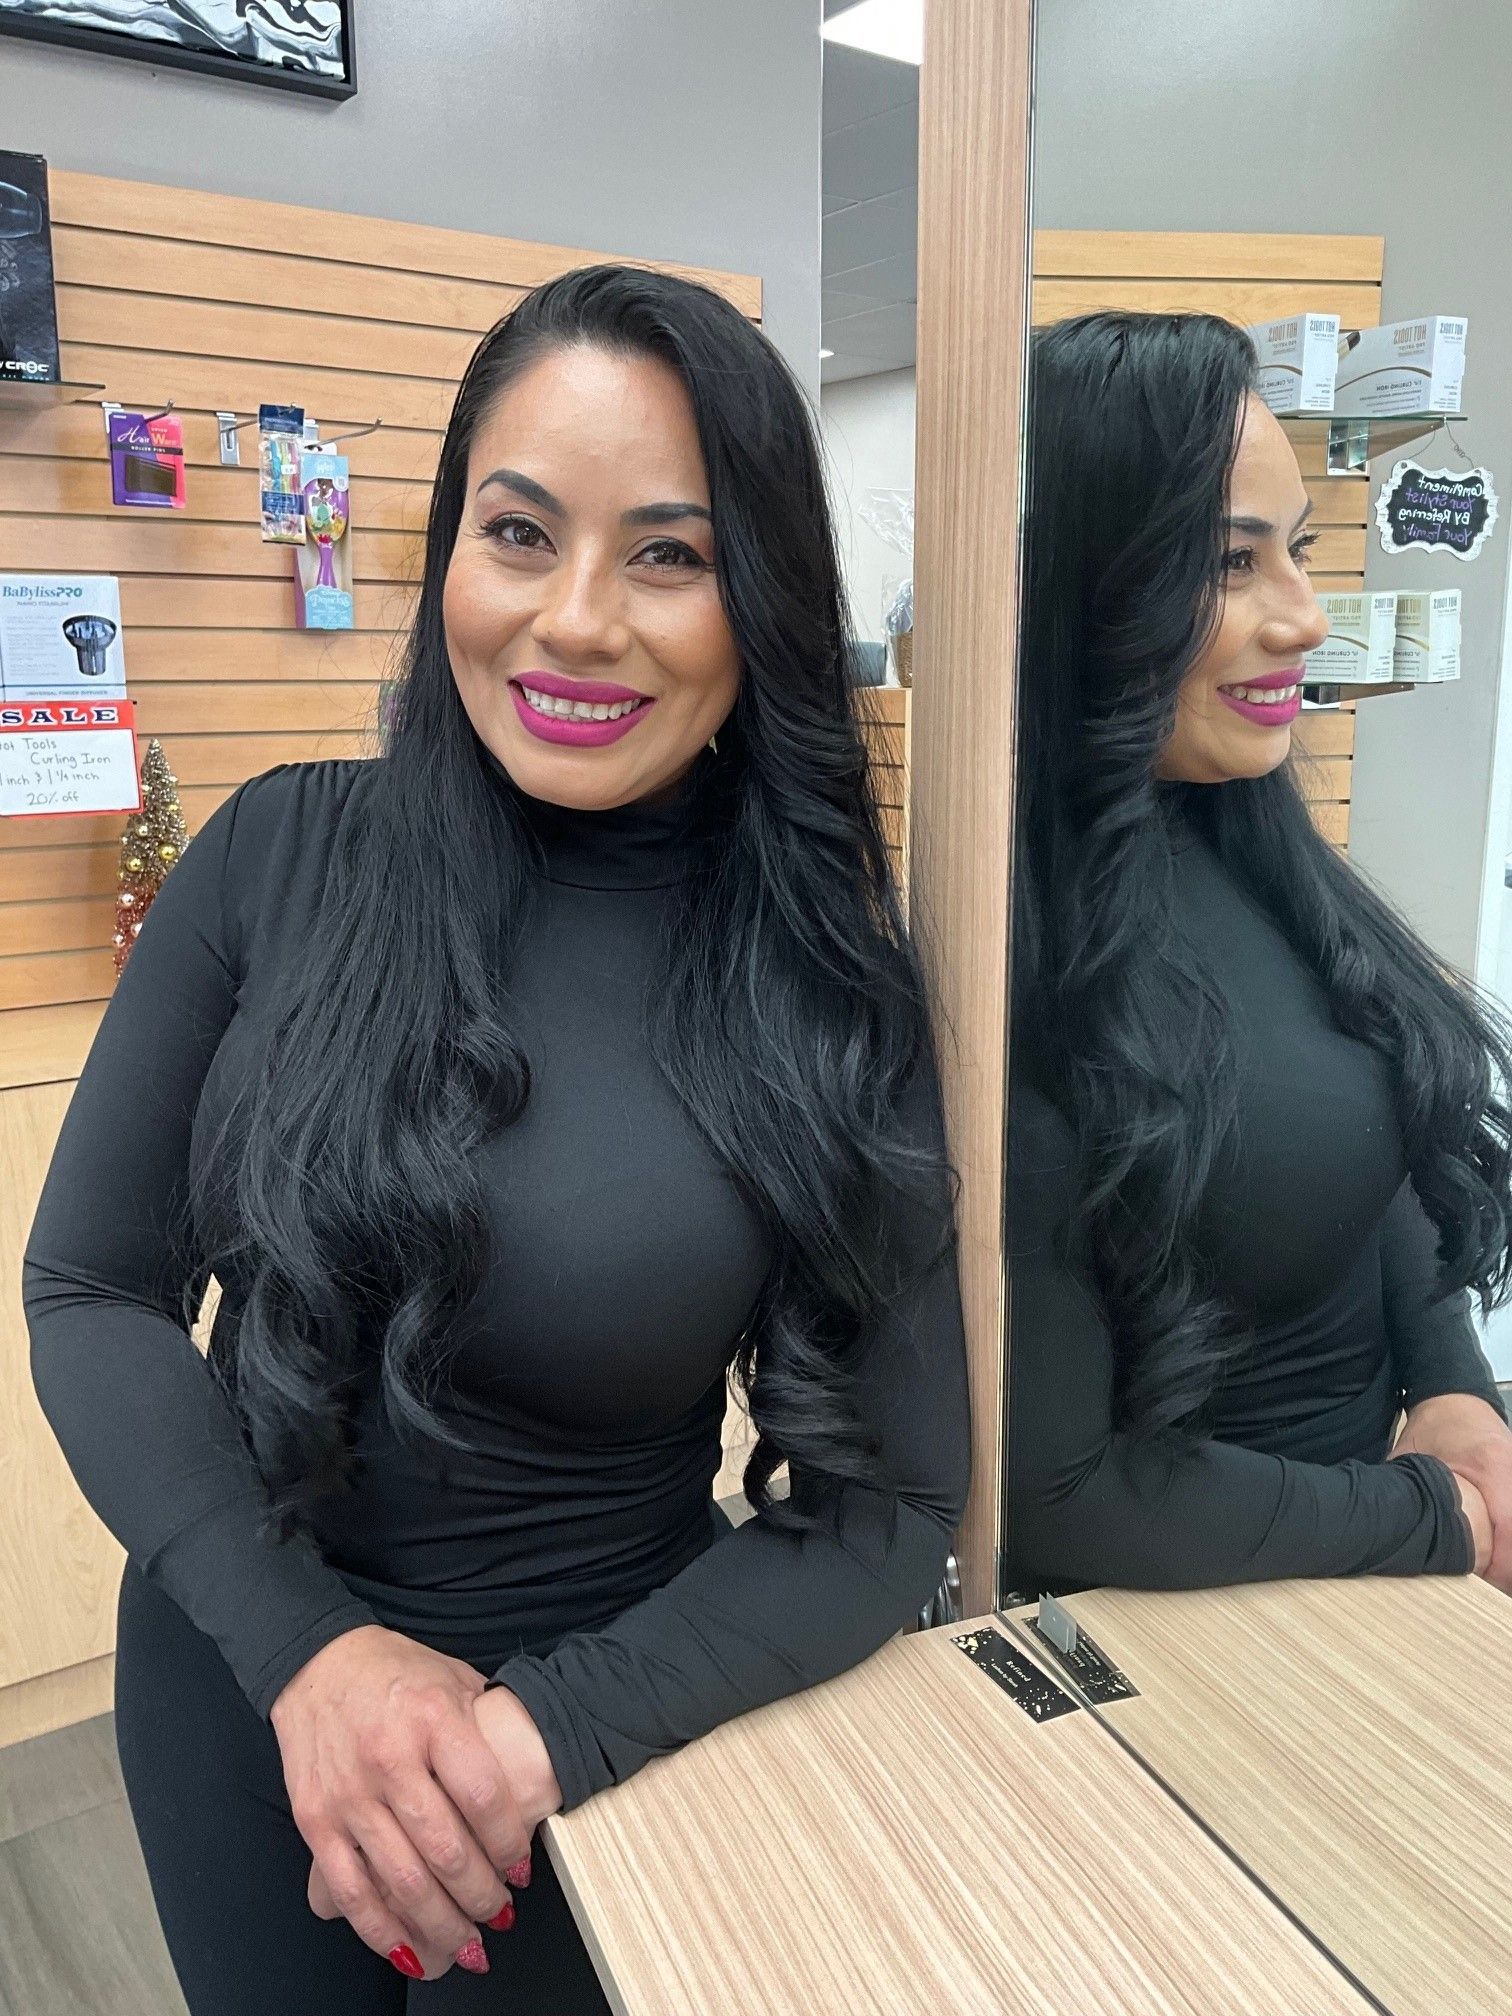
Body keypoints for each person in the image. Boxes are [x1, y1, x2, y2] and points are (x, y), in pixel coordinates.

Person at [24, 264, 970, 2011]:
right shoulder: (277, 860)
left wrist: (542, 1737)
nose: (576, 620)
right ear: (451, 549)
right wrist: (309, 1658)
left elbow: (893, 1498)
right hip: (243, 1687)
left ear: (757, 598)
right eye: (518, 532)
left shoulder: (823, 982)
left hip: (602, 1740)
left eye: (668, 555)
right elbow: (90, 1286)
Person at [1005, 310, 1512, 1601]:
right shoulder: (1008, 966)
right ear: (1086, 580)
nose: (1302, 618)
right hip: (1193, 1630)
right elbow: (1064, 1502)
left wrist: (1450, 1384)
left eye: (1297, 552)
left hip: (1369, 1561)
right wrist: (1426, 1517)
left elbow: (1369, 1128)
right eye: (1231, 565)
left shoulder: (1259, 845)